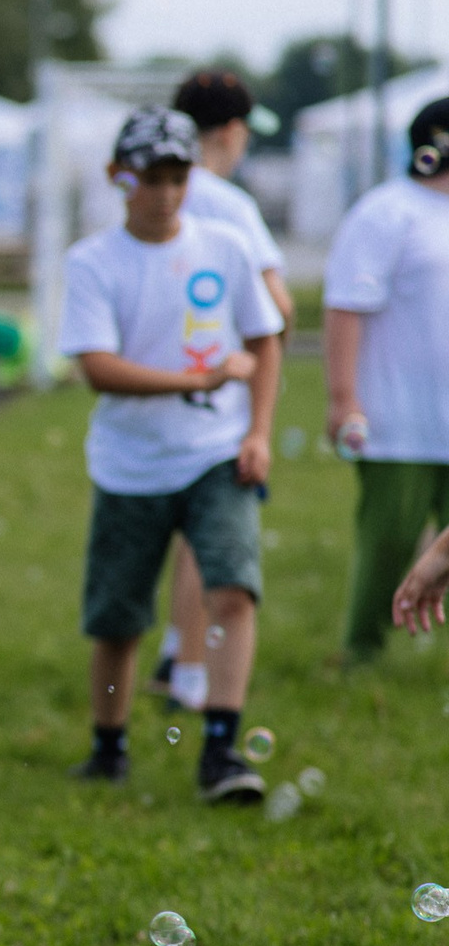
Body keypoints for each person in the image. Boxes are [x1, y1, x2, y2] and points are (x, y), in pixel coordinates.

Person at [58, 106, 281, 800]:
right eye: (150, 176)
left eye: (177, 175)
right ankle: (108, 744)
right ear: (118, 176)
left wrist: (257, 432)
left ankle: (221, 749)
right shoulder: (94, 261)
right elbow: (97, 366)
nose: (164, 191)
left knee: (233, 591)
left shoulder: (226, 247)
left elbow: (264, 337)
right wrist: (199, 379)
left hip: (217, 452)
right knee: (118, 619)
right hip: (131, 463)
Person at [150, 70, 292, 708]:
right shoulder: (230, 205)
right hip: (222, 391)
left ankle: (171, 655)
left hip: (161, 382)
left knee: (178, 528)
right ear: (232, 132)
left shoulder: (153, 193)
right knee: (209, 538)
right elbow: (278, 305)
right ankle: (190, 671)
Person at [324, 96, 449, 666]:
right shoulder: (385, 212)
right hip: (399, 418)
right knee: (390, 544)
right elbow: (348, 303)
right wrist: (343, 398)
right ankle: (363, 652)